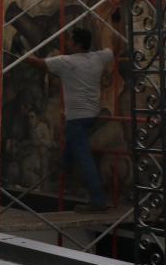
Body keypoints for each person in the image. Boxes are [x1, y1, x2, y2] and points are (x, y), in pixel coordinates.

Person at [21, 25, 118, 212]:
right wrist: (117, 22)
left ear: (77, 44)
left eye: (70, 40)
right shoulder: (98, 57)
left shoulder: (66, 62)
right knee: (71, 140)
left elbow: (38, 63)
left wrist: (22, 54)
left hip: (77, 117)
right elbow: (116, 49)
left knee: (84, 157)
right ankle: (64, 164)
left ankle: (98, 200)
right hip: (92, 115)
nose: (67, 42)